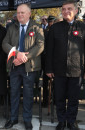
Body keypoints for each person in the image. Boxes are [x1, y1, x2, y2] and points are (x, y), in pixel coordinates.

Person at [2, 3, 44, 130]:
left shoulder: (37, 27)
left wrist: (26, 57)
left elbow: (40, 45)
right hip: (14, 65)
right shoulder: (11, 27)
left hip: (29, 67)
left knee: (28, 94)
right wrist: (16, 54)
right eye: (18, 12)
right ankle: (13, 118)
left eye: (22, 12)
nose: (19, 15)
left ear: (29, 14)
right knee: (14, 93)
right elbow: (5, 43)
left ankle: (27, 119)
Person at [45, 1, 85, 130]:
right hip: (59, 70)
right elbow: (49, 50)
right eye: (63, 9)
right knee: (60, 98)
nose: (66, 11)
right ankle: (61, 121)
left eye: (69, 9)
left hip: (77, 69)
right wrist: (49, 68)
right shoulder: (55, 28)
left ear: (76, 11)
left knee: (73, 99)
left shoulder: (82, 27)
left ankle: (71, 121)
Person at [42, 15, 56, 107]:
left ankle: (54, 100)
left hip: (55, 61)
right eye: (49, 21)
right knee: (45, 82)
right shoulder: (45, 32)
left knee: (55, 84)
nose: (51, 23)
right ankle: (45, 101)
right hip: (45, 60)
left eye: (52, 21)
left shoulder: (57, 31)